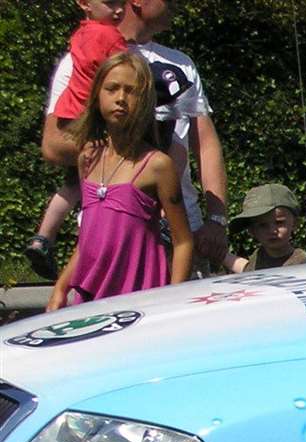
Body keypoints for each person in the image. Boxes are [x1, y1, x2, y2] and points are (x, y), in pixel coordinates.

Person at [41, 0, 228, 270]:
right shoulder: (83, 57)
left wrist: (217, 219)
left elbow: (206, 145)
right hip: (109, 233)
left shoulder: (181, 65)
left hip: (183, 231)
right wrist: (134, 155)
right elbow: (53, 145)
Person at [46, 51, 193, 310]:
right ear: (97, 96)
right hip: (92, 298)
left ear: (145, 100)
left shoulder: (157, 165)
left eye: (131, 91)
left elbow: (183, 241)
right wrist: (61, 286)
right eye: (112, 89)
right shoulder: (88, 157)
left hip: (143, 298)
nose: (121, 99)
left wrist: (174, 300)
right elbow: (89, 239)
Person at [24, 0, 129, 280]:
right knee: (94, 181)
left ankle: (43, 235)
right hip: (90, 115)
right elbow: (125, 72)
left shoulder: (81, 33)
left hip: (68, 112)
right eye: (109, 3)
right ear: (84, 4)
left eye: (121, 2)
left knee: (73, 183)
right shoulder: (111, 36)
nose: (118, 10)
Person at [223, 183, 306, 272]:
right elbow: (246, 270)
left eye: (279, 222)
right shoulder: (257, 258)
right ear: (251, 230)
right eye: (262, 225)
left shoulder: (305, 263)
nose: (272, 230)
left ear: (295, 224)